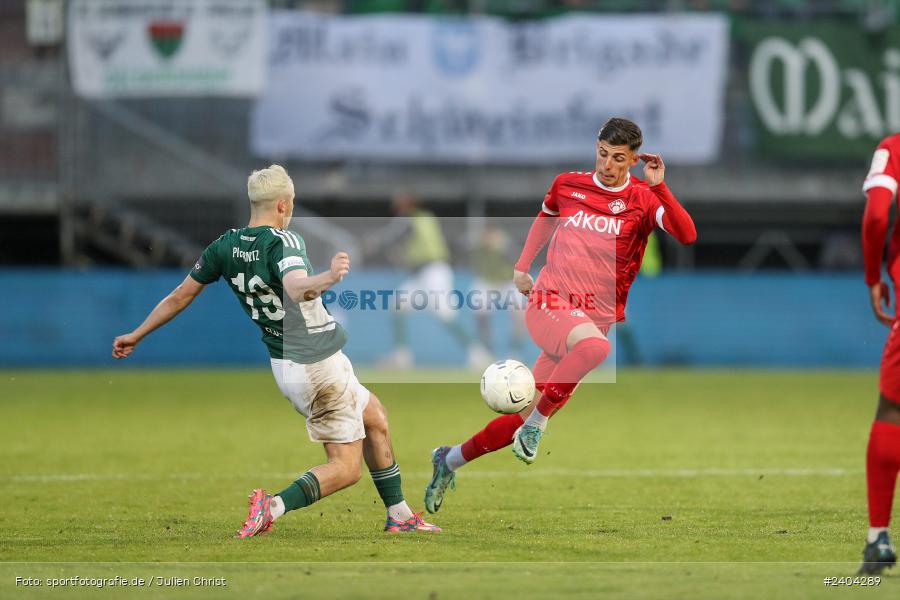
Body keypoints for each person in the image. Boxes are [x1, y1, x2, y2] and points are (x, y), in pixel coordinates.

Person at [112, 165, 440, 537]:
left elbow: (179, 295)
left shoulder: (224, 246)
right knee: (346, 468)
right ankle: (273, 506)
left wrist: (137, 334)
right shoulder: (284, 241)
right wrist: (328, 278)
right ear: (283, 205)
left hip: (288, 364)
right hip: (317, 364)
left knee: (375, 417)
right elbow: (297, 286)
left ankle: (399, 515)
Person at [424, 117, 696, 512]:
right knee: (596, 352)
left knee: (526, 411)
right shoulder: (568, 184)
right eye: (602, 154)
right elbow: (547, 216)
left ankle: (448, 460)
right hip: (549, 302)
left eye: (618, 159)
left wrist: (661, 187)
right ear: (596, 148)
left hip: (591, 318)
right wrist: (522, 266)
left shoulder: (643, 198)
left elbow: (687, 235)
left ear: (634, 160)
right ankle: (537, 427)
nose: (607, 165)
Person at [366, 191, 491, 369]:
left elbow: (393, 237)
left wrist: (374, 243)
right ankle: (402, 357)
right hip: (423, 273)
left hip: (434, 271)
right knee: (398, 304)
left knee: (445, 313)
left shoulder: (410, 218)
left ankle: (477, 354)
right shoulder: (426, 217)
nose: (397, 206)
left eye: (400, 203)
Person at [857, 132, 900, 574]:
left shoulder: (894, 148)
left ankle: (878, 538)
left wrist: (873, 275)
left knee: (892, 411)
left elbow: (876, 217)